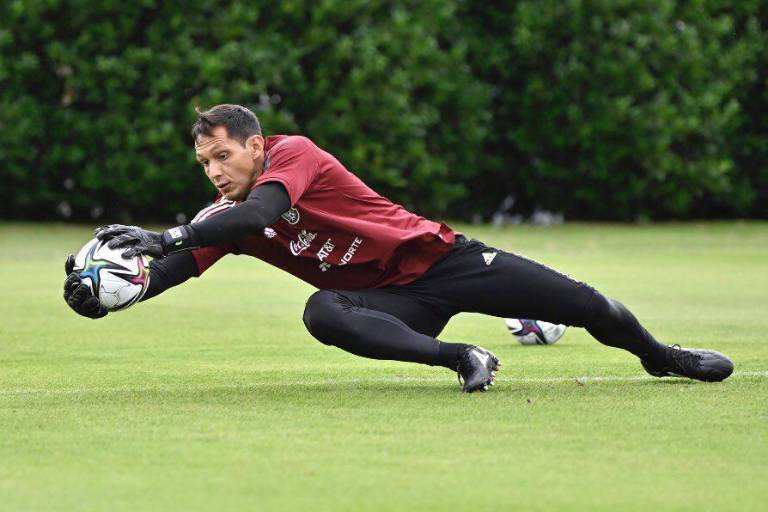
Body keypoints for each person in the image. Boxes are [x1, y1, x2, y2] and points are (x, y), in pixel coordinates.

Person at [62, 104, 734, 392]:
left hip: (444, 261)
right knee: (324, 312)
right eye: (203, 161)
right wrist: (113, 295)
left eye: (221, 155)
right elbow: (175, 267)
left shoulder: (292, 157)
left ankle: (660, 356)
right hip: (390, 301)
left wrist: (172, 232)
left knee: (585, 303)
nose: (212, 171)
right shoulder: (223, 216)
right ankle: (463, 357)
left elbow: (265, 211)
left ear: (256, 146)